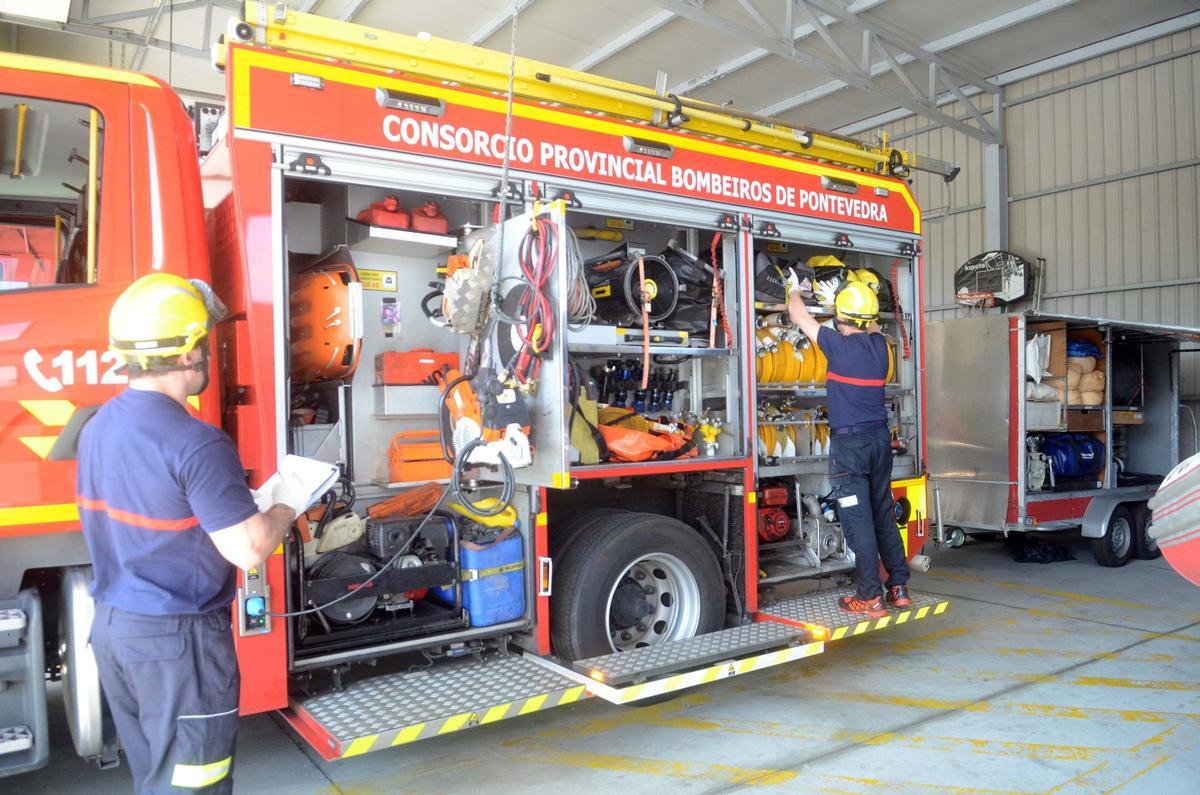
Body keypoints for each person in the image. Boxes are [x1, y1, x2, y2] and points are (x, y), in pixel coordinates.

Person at [77, 274, 311, 794]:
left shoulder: (98, 426)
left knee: (157, 776)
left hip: (118, 630)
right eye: (206, 340)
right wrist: (289, 501)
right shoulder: (196, 443)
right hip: (177, 644)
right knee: (193, 784)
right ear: (189, 353)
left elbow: (153, 507)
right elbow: (249, 547)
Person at [786, 270, 911, 618]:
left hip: (850, 448)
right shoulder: (880, 347)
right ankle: (898, 587)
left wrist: (794, 287)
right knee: (882, 513)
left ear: (839, 316)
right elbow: (870, 324)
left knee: (858, 520)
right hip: (879, 443)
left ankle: (870, 596)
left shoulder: (836, 345)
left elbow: (798, 315)